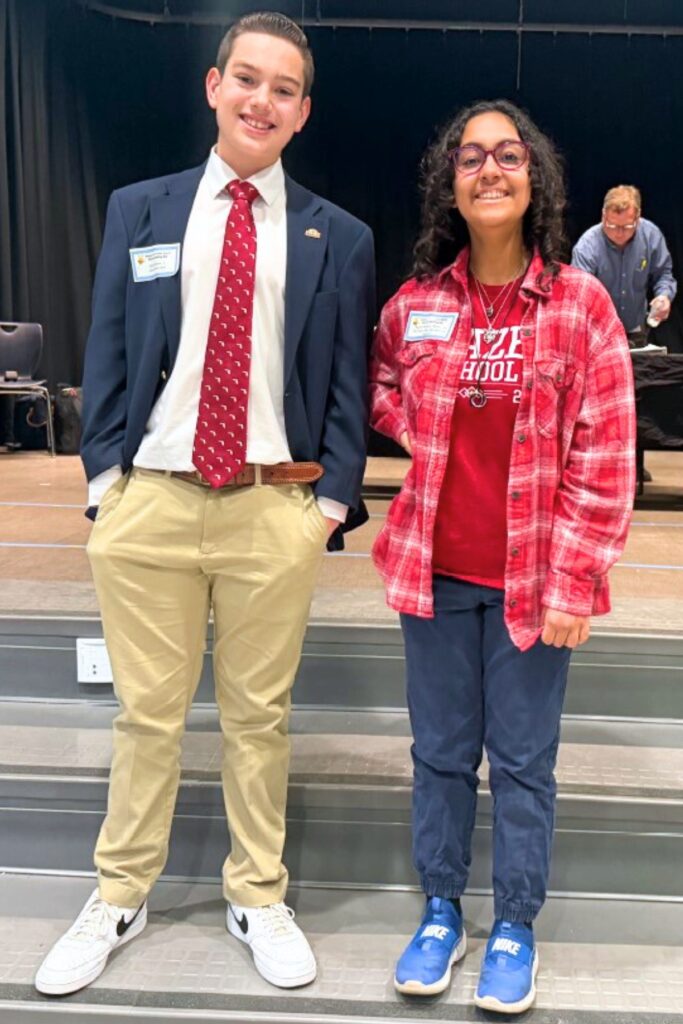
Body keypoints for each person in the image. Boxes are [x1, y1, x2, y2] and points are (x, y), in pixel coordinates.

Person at [36, 11, 375, 997]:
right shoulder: (138, 209)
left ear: (301, 112)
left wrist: (328, 510)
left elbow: (348, 385)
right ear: (212, 86)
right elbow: (103, 352)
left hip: (273, 509)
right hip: (151, 505)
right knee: (146, 716)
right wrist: (107, 486)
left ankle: (256, 894)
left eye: (282, 89)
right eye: (247, 79)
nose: (260, 100)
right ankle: (118, 892)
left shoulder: (336, 236)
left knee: (256, 717)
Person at [369, 99, 635, 1015]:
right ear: (451, 181)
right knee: (439, 756)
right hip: (431, 579)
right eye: (471, 156)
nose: (490, 169)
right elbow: (381, 384)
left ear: (534, 181)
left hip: (531, 586)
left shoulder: (579, 304)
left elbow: (605, 455)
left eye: (508, 156)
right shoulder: (418, 303)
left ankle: (513, 924)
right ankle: (441, 909)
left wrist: (576, 578)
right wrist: (425, 430)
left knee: (522, 765)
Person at [571, 184, 677, 345]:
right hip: (598, 332)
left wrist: (664, 296)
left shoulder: (651, 236)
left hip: (636, 329)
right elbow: (578, 293)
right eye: (612, 226)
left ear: (638, 217)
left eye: (627, 227)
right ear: (603, 216)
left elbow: (663, 274)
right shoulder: (587, 246)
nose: (619, 233)